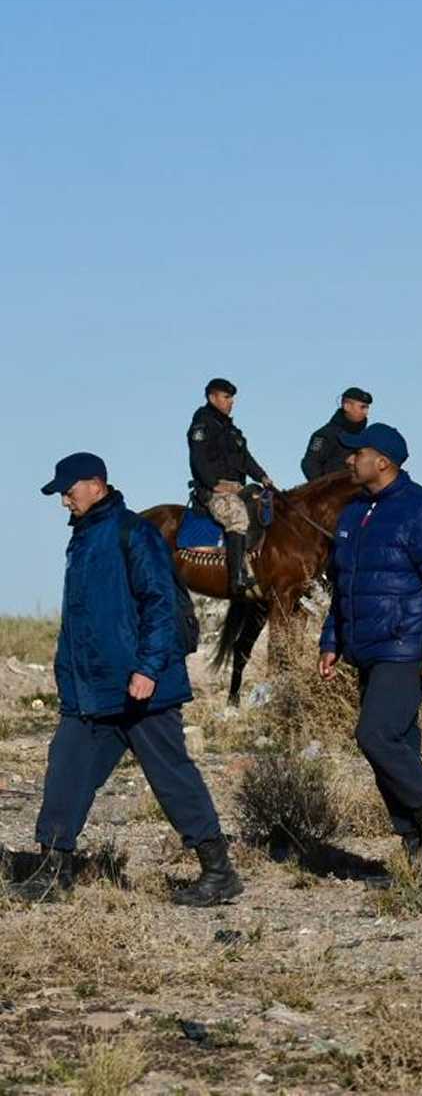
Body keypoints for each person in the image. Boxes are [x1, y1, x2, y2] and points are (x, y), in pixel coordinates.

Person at [14, 453, 242, 905]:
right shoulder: (83, 539)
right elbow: (81, 622)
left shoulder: (133, 533)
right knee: (67, 770)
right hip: (93, 691)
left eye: (69, 489)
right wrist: (68, 680)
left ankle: (218, 870)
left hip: (143, 689)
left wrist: (147, 669)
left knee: (171, 776)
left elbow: (159, 603)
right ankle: (52, 871)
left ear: (96, 484)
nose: (64, 500)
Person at [317, 423, 422, 885]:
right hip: (366, 646)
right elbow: (344, 585)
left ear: (382, 460)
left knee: (375, 735)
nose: (348, 460)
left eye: (356, 454)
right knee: (397, 748)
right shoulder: (353, 512)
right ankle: (418, 854)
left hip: (406, 646)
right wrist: (331, 640)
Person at [186, 377, 273, 597]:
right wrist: (215, 485)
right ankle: (237, 577)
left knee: (265, 506)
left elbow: (245, 458)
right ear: (212, 397)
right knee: (237, 515)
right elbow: (198, 459)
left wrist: (262, 476)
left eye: (232, 398)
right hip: (213, 490)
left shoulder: (231, 430)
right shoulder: (202, 425)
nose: (231, 402)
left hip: (237, 486)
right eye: (226, 397)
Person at [300, 386, 373, 481]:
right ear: (347, 406)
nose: (366, 412)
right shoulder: (324, 434)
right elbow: (310, 463)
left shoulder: (368, 436)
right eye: (362, 407)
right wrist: (326, 489)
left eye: (367, 408)